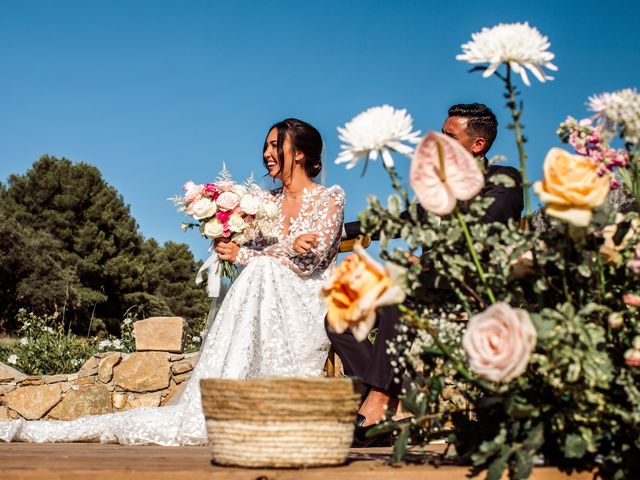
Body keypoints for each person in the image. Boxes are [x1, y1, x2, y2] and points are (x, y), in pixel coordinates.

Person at [0, 118, 345, 445]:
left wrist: (252, 254)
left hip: (306, 298)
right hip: (261, 295)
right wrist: (244, 248)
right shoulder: (263, 202)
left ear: (299, 153)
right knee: (261, 271)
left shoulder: (331, 198)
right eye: (266, 146)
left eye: (276, 146)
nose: (267, 154)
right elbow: (252, 254)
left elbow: (308, 262)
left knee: (261, 270)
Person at [329, 103, 523, 434]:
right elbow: (400, 221)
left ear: (478, 145)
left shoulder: (502, 181)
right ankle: (395, 399)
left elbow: (480, 238)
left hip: (468, 288)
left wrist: (426, 262)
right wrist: (336, 231)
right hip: (426, 285)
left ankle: (376, 403)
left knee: (398, 297)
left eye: (450, 137)